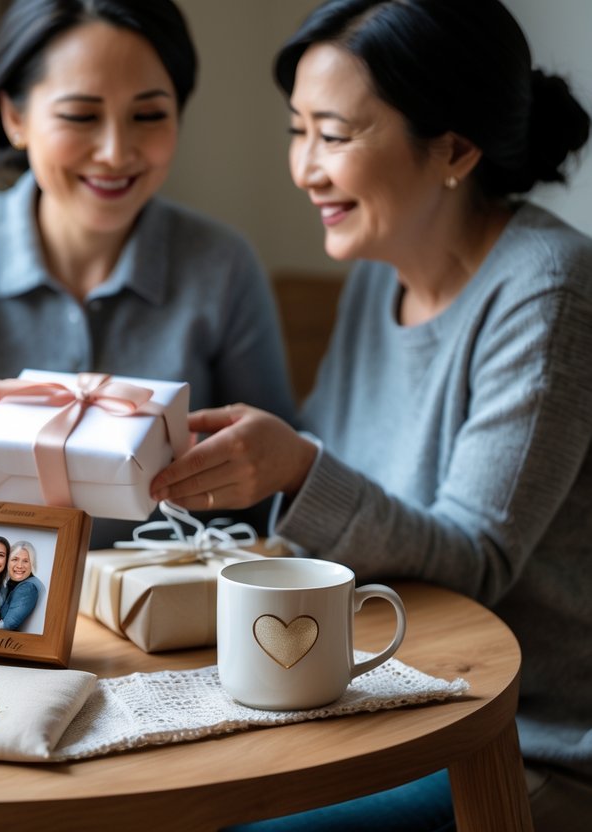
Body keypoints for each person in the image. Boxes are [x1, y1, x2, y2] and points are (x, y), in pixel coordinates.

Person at [147, 1, 592, 828]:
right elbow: (336, 513)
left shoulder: (548, 288)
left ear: (454, 149)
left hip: (515, 739)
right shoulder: (374, 274)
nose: (303, 168)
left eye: (334, 135)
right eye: (296, 130)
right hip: (375, 697)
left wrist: (298, 469)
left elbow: (476, 561)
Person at [0, 0, 296, 538]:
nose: (116, 152)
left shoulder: (222, 265)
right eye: (81, 116)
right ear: (14, 118)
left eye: (149, 115)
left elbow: (276, 487)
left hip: (164, 596)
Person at [0, 540, 45, 632]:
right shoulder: (10, 584)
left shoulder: (27, 588)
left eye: (25, 561)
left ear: (32, 564)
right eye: (15, 559)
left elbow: (7, 626)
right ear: (7, 562)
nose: (19, 566)